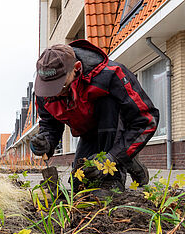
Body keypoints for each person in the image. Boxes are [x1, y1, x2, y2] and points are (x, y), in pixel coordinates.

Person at [31, 40, 159, 195]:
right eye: (49, 88)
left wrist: (111, 158)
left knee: (107, 102)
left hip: (116, 126)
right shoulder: (45, 89)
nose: (54, 93)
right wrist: (45, 141)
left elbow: (147, 119)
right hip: (88, 133)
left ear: (77, 68)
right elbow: (49, 124)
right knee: (81, 182)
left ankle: (115, 172)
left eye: (60, 87)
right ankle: (129, 159)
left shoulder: (111, 75)